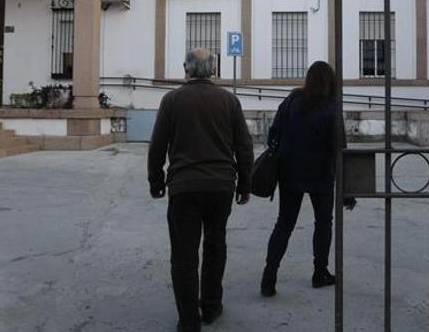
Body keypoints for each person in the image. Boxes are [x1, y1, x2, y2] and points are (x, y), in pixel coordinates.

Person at [148, 47, 254, 332]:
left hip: (184, 188)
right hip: (221, 187)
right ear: (215, 70)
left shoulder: (172, 101)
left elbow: (157, 146)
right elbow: (244, 147)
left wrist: (156, 182)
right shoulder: (229, 101)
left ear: (186, 68)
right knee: (215, 245)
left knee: (184, 254)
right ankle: (211, 306)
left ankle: (189, 320)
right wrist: (245, 184)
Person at [260, 60, 351, 297]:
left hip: (289, 173)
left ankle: (269, 277)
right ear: (330, 82)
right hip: (321, 175)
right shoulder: (331, 108)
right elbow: (340, 149)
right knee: (323, 223)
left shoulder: (291, 102)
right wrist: (346, 188)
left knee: (284, 224)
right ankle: (320, 272)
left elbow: (273, 135)